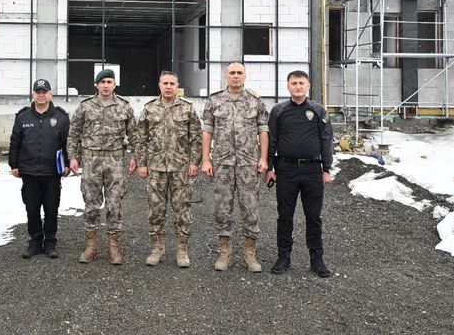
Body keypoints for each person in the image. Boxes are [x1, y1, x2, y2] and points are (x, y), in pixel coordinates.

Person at [201, 62, 269, 272]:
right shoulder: (214, 100)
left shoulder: (256, 101)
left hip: (249, 162)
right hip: (222, 162)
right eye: (232, 73)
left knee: (250, 208)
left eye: (240, 73)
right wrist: (206, 159)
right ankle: (225, 252)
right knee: (222, 208)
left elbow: (263, 131)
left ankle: (249, 253)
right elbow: (207, 131)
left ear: (245, 76)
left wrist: (264, 158)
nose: (236, 76)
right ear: (226, 76)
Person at [266, 70, 333, 278]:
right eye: (294, 83)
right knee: (285, 215)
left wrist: (327, 168)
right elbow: (272, 140)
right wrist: (269, 168)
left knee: (313, 216)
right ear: (288, 87)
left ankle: (317, 259)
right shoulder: (278, 111)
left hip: (313, 170)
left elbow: (326, 140)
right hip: (286, 169)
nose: (297, 86)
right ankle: (283, 257)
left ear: (308, 86)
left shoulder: (319, 111)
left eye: (301, 83)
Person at [67, 69, 137, 265]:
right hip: (91, 161)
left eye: (109, 81)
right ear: (96, 85)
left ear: (115, 85)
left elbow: (134, 135)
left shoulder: (124, 107)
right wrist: (73, 157)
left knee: (115, 205)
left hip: (115, 162)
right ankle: (91, 246)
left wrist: (135, 156)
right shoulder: (85, 107)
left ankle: (113, 247)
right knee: (91, 204)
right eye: (102, 82)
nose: (106, 85)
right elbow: (74, 134)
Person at [136, 71, 202, 268]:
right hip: (155, 168)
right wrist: (142, 163)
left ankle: (182, 250)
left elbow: (196, 138)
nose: (168, 86)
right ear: (159, 85)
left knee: (182, 209)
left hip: (180, 168)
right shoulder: (149, 109)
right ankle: (157, 248)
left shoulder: (187, 109)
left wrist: (194, 162)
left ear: (177, 86)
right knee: (156, 209)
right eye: (165, 83)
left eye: (172, 83)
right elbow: (141, 138)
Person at [8, 79, 70, 259]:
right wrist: (14, 164)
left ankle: (50, 243)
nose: (41, 95)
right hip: (29, 171)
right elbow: (15, 142)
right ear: (33, 94)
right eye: (38, 92)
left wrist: (68, 163)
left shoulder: (61, 117)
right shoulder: (23, 117)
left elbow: (68, 144)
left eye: (45, 92)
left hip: (52, 172)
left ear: (50, 94)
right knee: (32, 209)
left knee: (51, 209)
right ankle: (35, 242)